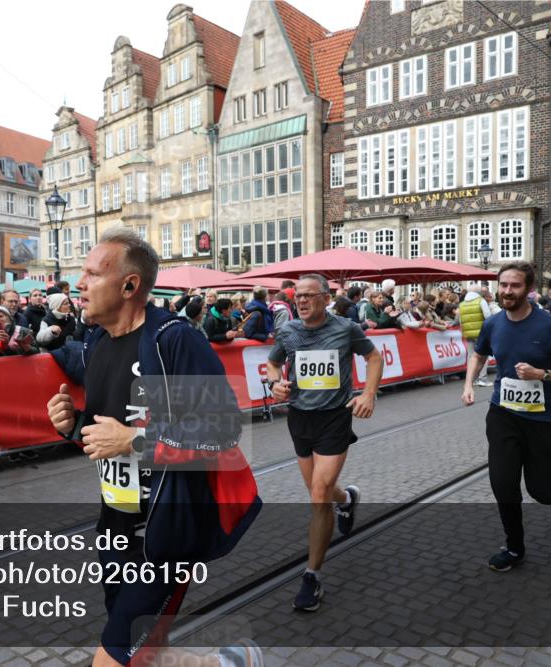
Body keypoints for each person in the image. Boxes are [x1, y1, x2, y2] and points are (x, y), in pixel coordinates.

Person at [46, 227, 262, 667]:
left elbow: (223, 430)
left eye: (90, 274)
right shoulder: (96, 342)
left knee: (113, 657)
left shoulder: (173, 340)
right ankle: (228, 664)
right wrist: (73, 425)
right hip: (115, 524)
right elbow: (113, 429)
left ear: (129, 285)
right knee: (142, 653)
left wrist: (136, 441)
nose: (79, 285)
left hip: (165, 531)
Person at [461, 261, 551, 572]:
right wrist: (468, 385)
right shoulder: (493, 324)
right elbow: (479, 354)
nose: (507, 291)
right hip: (503, 414)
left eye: (514, 285)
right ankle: (514, 547)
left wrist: (541, 374)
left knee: (545, 494)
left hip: (544, 418)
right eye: (503, 285)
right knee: (503, 484)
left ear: (528, 289)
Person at [265, 274, 382, 612]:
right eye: (296, 296)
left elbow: (374, 358)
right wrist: (275, 384)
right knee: (321, 491)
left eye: (308, 295)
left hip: (334, 417)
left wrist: (369, 394)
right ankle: (348, 499)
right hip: (299, 418)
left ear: (326, 297)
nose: (300, 301)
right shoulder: (287, 331)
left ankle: (312, 576)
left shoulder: (346, 328)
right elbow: (274, 363)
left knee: (318, 494)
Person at [460, 283, 494, 387]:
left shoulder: (462, 303)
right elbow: (488, 316)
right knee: (483, 355)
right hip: (481, 333)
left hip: (468, 333)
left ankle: (472, 380)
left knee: (471, 356)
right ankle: (482, 379)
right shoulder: (481, 301)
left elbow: (461, 320)